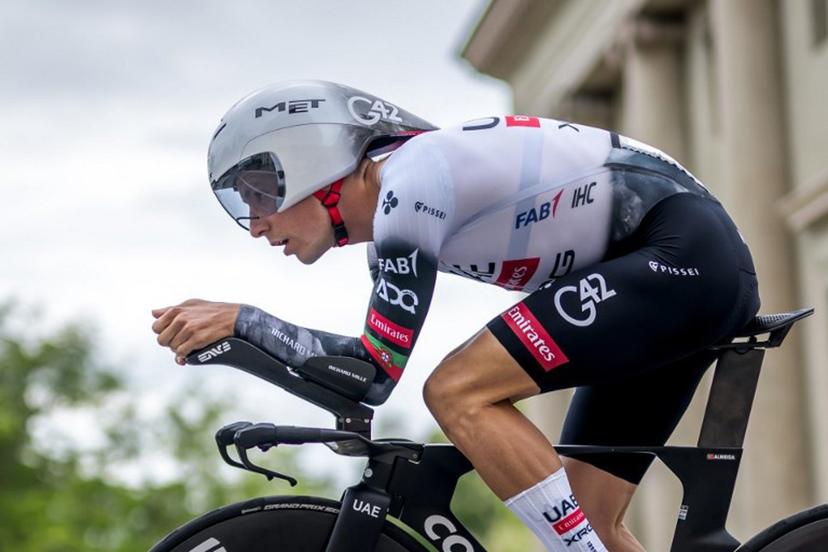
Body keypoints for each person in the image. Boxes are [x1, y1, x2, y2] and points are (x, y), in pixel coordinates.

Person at [152, 80, 760, 552]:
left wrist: (244, 321)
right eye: (241, 205)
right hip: (674, 268)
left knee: (457, 391)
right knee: (588, 520)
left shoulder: (411, 181)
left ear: (311, 162)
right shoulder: (403, 203)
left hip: (679, 255)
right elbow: (360, 379)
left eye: (259, 193)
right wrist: (241, 340)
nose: (255, 223)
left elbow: (373, 375)